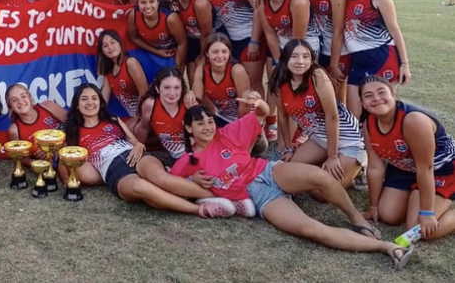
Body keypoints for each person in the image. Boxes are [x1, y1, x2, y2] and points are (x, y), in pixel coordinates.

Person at [170, 93, 415, 268]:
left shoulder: (227, 133)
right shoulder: (188, 162)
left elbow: (263, 113)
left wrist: (259, 102)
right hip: (260, 197)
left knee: (320, 176)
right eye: (200, 124)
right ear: (189, 129)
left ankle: (357, 218)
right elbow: (170, 186)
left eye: (210, 121)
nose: (207, 127)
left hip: (268, 171)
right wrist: (193, 180)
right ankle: (384, 246)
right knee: (312, 230)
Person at [63, 83, 237, 217]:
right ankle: (200, 209)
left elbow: (135, 141)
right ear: (77, 105)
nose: (90, 103)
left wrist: (138, 145)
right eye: (84, 99)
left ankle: (222, 198)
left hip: (134, 155)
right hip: (112, 169)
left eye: (94, 98)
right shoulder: (72, 131)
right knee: (143, 188)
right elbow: (67, 160)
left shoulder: (113, 119)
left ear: (100, 102)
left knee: (159, 178)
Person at [361, 75, 455, 241]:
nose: (376, 99)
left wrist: (427, 212)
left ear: (393, 94)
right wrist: (373, 206)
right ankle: (415, 195)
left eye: (381, 92)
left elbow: (426, 168)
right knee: (388, 215)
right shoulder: (368, 125)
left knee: (420, 229)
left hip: (440, 169)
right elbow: (375, 168)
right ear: (362, 103)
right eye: (368, 96)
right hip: (406, 168)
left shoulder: (413, 120)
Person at [270, 39, 366, 189]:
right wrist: (288, 148)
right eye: (294, 56)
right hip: (319, 139)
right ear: (285, 58)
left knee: (322, 191)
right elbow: (282, 115)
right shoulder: (280, 78)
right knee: (288, 169)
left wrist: (332, 156)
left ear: (311, 59)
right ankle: (325, 165)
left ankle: (359, 168)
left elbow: (332, 116)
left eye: (306, 56)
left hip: (348, 140)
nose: (300, 61)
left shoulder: (317, 76)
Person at [339, 0, 411, 118]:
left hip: (382, 56)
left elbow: (395, 30)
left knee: (384, 112)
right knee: (354, 116)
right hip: (357, 59)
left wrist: (405, 64)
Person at [204, 0, 265, 94]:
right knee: (238, 84)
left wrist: (254, 41)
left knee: (254, 84)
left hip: (250, 38)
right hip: (231, 43)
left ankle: (259, 118)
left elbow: (258, 9)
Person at [300, 0, 349, 101]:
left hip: (338, 52)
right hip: (318, 50)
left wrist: (334, 65)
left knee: (338, 99)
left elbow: (338, 30)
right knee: (319, 96)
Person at [254, 0, 320, 61]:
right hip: (282, 45)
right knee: (275, 74)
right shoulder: (262, 2)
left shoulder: (298, 0)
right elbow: (270, 34)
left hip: (305, 48)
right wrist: (277, 61)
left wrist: (287, 64)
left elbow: (298, 41)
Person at [190, 32, 251, 127]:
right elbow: (197, 102)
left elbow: (244, 105)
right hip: (220, 117)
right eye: (215, 52)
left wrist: (239, 129)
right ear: (207, 53)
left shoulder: (237, 71)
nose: (220, 56)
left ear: (229, 53)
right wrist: (190, 95)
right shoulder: (201, 70)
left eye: (224, 51)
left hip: (242, 118)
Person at [127, 0, 187, 71]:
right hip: (150, 52)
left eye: (151, 1)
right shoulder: (133, 15)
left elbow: (182, 43)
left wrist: (177, 69)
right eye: (143, 2)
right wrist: (156, 51)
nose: (147, 6)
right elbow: (134, 38)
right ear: (138, 3)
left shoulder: (170, 19)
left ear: (158, 2)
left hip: (169, 55)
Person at [170, 0, 213, 85]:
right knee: (191, 78)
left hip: (208, 41)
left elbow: (207, 33)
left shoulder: (199, 3)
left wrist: (204, 56)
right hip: (191, 41)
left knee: (200, 79)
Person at [135, 67, 189, 158]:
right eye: (167, 87)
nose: (172, 93)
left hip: (190, 154)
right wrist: (137, 148)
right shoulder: (150, 104)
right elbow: (144, 128)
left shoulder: (188, 104)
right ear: (157, 88)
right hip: (168, 154)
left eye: (176, 87)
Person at [97, 30, 148, 127]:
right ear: (102, 52)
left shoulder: (130, 62)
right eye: (105, 46)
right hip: (132, 117)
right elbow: (103, 100)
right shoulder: (109, 73)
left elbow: (144, 93)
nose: (110, 47)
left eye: (112, 42)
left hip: (144, 113)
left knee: (128, 133)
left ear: (120, 43)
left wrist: (137, 117)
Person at [5, 83, 67, 158]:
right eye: (14, 100)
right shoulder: (14, 130)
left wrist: (54, 146)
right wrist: (37, 164)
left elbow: (74, 124)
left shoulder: (48, 106)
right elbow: (21, 158)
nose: (20, 101)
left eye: (23, 96)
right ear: (10, 107)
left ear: (30, 98)